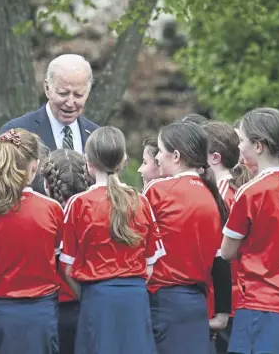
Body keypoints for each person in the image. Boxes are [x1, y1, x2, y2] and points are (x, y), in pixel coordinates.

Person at [60, 126, 165, 354]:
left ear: (89, 163)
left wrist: (88, 295)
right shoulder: (141, 201)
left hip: (96, 297)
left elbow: (67, 266)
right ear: (123, 161)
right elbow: (150, 263)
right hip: (135, 298)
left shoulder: (78, 204)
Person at [221, 107, 279, 354]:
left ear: (258, 146)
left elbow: (227, 251)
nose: (238, 147)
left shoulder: (251, 192)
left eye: (242, 141)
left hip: (258, 304)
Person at [0, 129, 63, 354]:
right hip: (41, 310)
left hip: (0, 310)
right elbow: (57, 261)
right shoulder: (52, 209)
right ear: (34, 166)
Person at [144, 122, 231, 354]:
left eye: (160, 152)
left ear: (175, 156)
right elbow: (220, 258)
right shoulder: (212, 194)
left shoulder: (157, 190)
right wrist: (223, 310)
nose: (157, 159)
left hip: (162, 301)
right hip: (196, 302)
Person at [0, 54, 99, 193]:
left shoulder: (96, 136)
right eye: (63, 93)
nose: (70, 103)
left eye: (78, 95)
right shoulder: (17, 132)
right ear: (47, 88)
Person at [202, 121, 253, 354]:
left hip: (226, 300)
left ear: (214, 158)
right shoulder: (233, 190)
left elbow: (218, 253)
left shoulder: (221, 195)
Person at [41, 149, 94, 354]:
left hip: (52, 305)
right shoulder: (92, 214)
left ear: (47, 184)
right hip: (85, 301)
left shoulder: (44, 216)